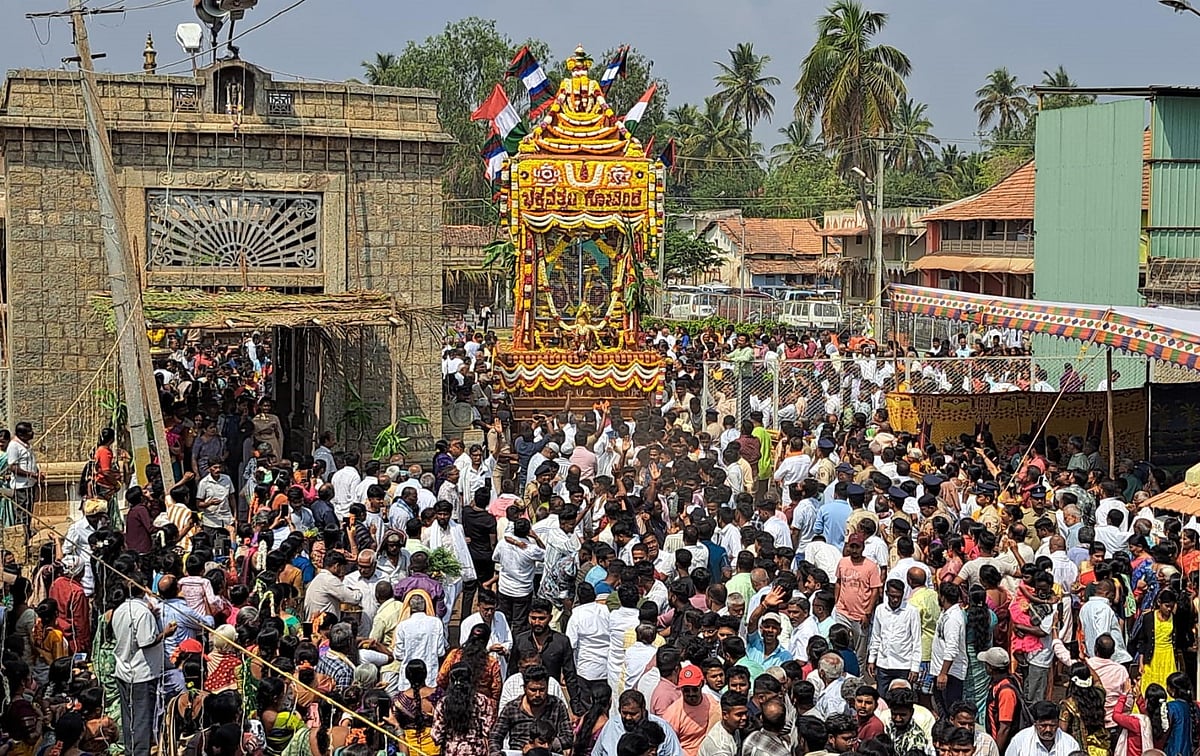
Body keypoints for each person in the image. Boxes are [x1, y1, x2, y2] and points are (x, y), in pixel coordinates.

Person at [112, 571, 173, 756]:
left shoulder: (120, 609)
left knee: (129, 717)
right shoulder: (142, 613)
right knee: (142, 719)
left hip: (124, 669)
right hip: (141, 673)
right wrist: (166, 633)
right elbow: (146, 641)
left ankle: (131, 751)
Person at [433, 663, 498, 756]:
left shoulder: (443, 704)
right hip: (476, 751)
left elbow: (436, 736)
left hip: (451, 752)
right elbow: (489, 730)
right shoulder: (482, 701)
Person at [1005, 701, 1080, 756]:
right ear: (1035, 724)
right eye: (1043, 725)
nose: (1048, 729)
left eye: (1052, 725)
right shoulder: (1020, 741)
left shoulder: (1070, 744)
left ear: (1057, 724)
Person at [697, 691, 748, 756]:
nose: (744, 717)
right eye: (739, 714)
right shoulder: (719, 746)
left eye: (745, 713)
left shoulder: (734, 728)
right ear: (725, 715)